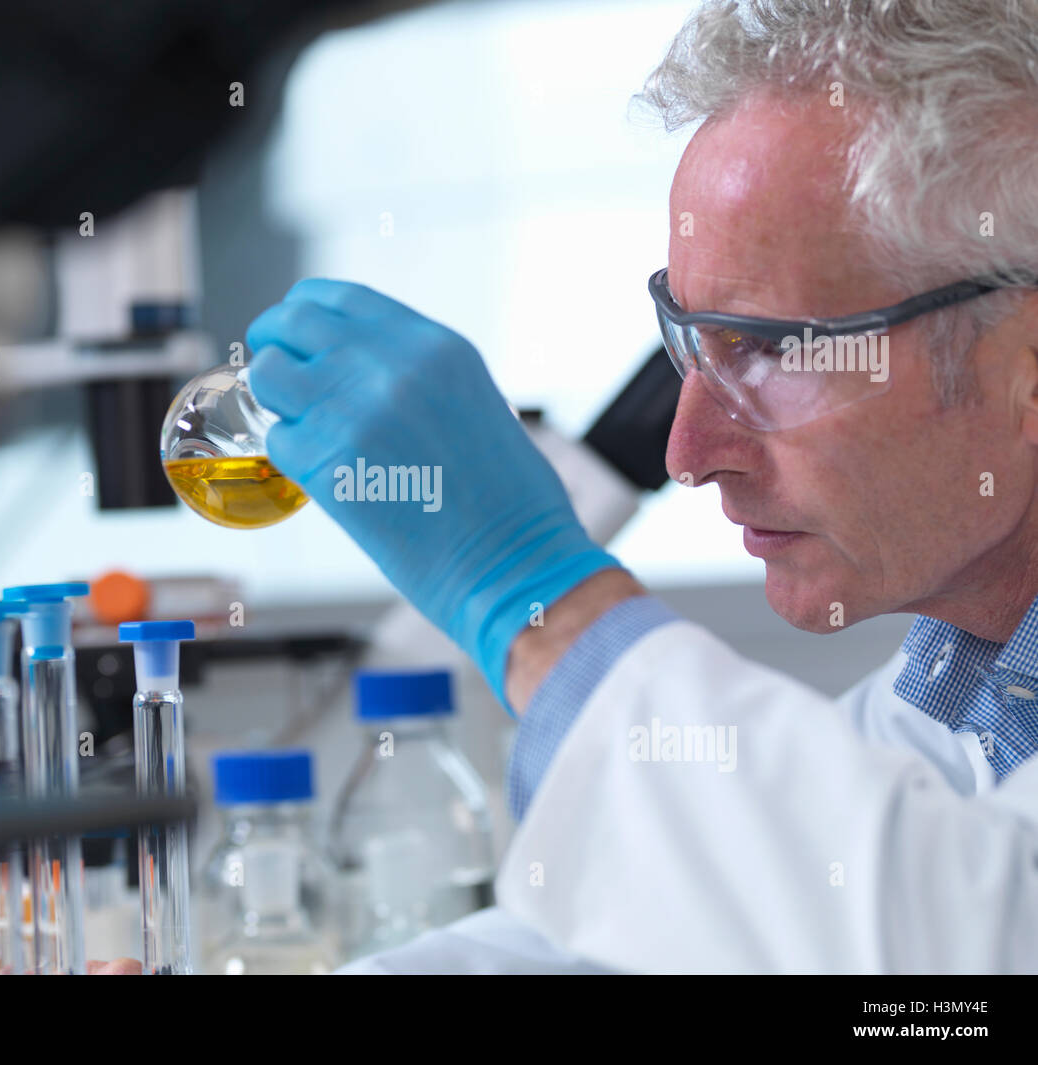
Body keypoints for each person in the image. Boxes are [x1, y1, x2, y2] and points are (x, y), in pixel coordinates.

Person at [243, 0, 1038, 973]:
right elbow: (676, 938)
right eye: (694, 342)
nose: (687, 451)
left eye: (772, 350)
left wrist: (536, 596)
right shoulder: (972, 697)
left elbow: (948, 966)